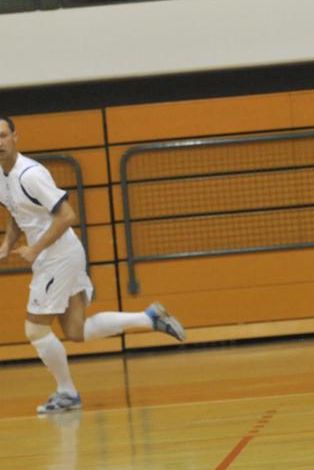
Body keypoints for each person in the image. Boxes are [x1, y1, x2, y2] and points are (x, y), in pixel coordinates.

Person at [0, 116, 186, 414]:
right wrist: (7, 245)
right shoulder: (2, 176)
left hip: (57, 256)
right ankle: (148, 318)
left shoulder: (30, 174)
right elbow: (15, 212)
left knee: (35, 330)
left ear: (14, 137)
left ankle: (67, 393)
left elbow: (67, 216)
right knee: (76, 330)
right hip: (61, 254)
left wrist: (35, 248)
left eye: (2, 135)